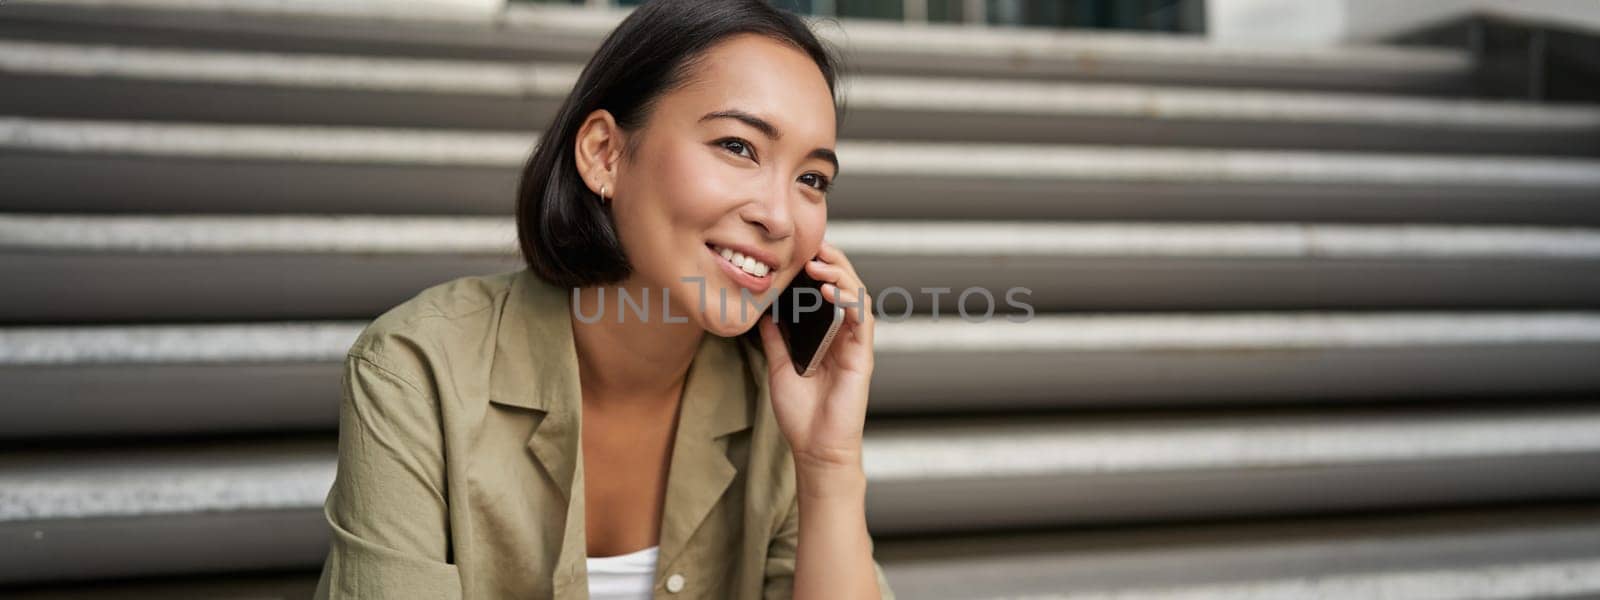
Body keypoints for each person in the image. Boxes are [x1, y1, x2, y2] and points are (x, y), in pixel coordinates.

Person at [313, 0, 894, 597]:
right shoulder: (418, 371)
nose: (779, 218)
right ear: (603, 154)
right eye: (738, 147)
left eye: (812, 180)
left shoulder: (777, 399)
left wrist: (829, 465)